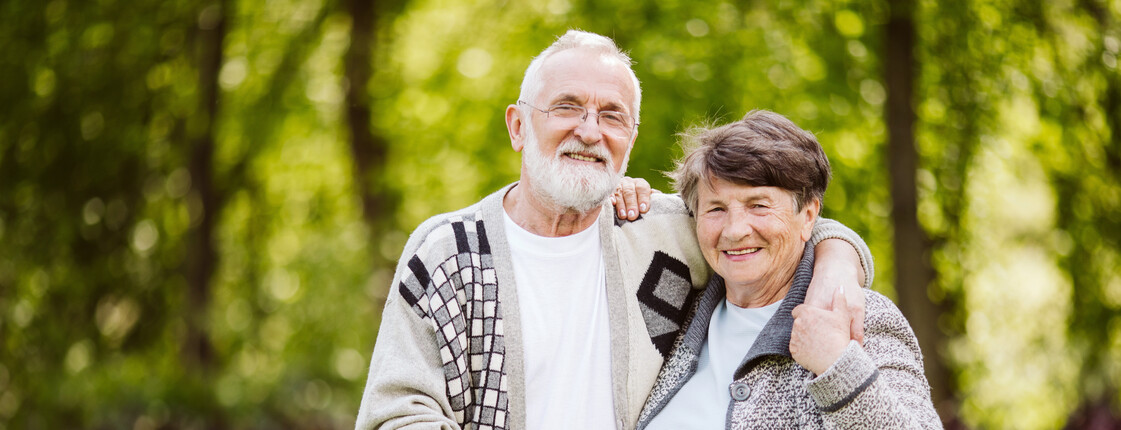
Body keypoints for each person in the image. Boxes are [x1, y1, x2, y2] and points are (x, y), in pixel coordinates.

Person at [356, 31, 875, 430]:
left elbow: (781, 228)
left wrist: (839, 263)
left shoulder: (664, 232)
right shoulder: (448, 252)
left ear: (629, 140)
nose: (589, 130)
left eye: (612, 115)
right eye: (566, 107)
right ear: (518, 126)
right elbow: (395, 413)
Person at [637, 110, 940, 429]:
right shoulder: (675, 313)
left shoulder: (858, 319)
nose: (735, 230)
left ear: (808, 216)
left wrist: (838, 368)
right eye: (716, 208)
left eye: (758, 205)